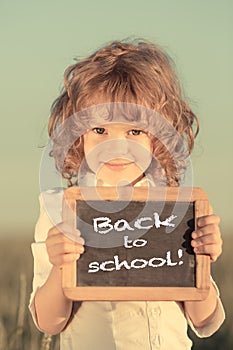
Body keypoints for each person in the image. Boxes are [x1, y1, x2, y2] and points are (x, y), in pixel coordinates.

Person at [29, 39, 225, 350]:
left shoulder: (177, 209)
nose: (116, 146)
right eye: (99, 130)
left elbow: (204, 321)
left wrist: (201, 261)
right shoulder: (61, 208)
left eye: (134, 131)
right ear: (77, 134)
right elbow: (48, 321)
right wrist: (59, 267)